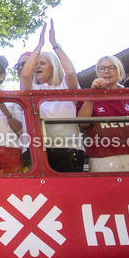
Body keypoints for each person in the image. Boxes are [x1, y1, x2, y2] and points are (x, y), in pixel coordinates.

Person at [77, 55, 129, 172]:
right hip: (101, 158)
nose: (106, 72)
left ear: (119, 71)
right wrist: (91, 95)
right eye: (101, 69)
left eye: (111, 68)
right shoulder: (88, 97)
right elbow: (82, 124)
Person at [20, 21, 83, 172]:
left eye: (42, 63)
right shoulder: (33, 89)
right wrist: (39, 46)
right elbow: (25, 75)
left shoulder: (64, 86)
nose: (37, 67)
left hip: (69, 146)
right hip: (38, 147)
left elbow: (71, 73)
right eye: (36, 64)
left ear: (53, 66)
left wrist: (54, 45)